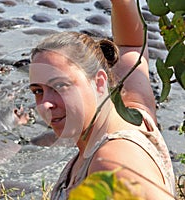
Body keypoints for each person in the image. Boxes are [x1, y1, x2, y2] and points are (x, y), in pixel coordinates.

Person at [28, 0, 176, 199]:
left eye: (60, 86)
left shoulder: (111, 164)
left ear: (99, 82)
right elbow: (132, 46)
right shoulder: (136, 114)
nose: (45, 104)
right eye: (38, 91)